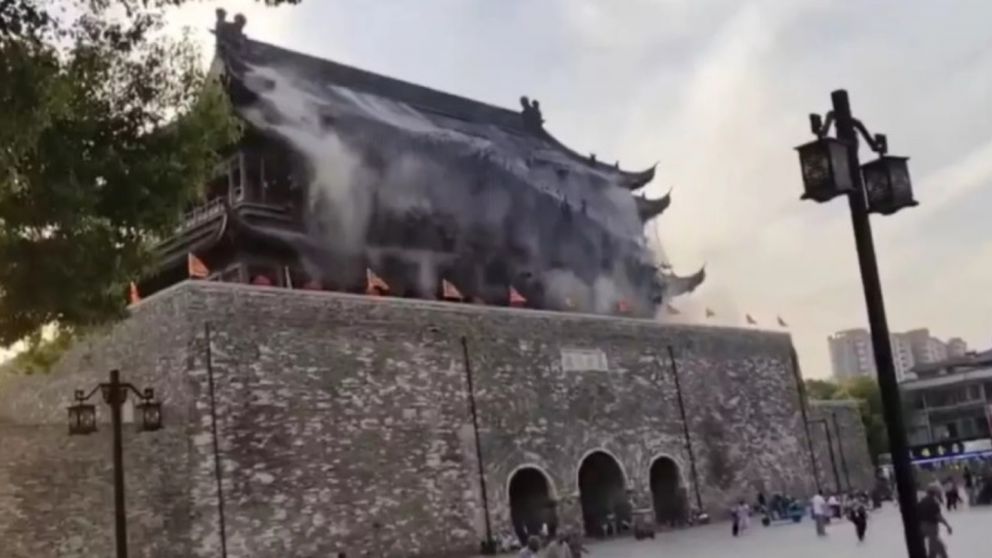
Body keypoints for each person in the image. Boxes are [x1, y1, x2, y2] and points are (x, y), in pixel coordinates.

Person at [919, 485, 952, 558]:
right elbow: (938, 516)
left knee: (933, 549)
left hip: (921, 526)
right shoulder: (933, 502)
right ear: (935, 493)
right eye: (938, 492)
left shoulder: (922, 501)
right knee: (941, 549)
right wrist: (947, 526)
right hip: (931, 527)